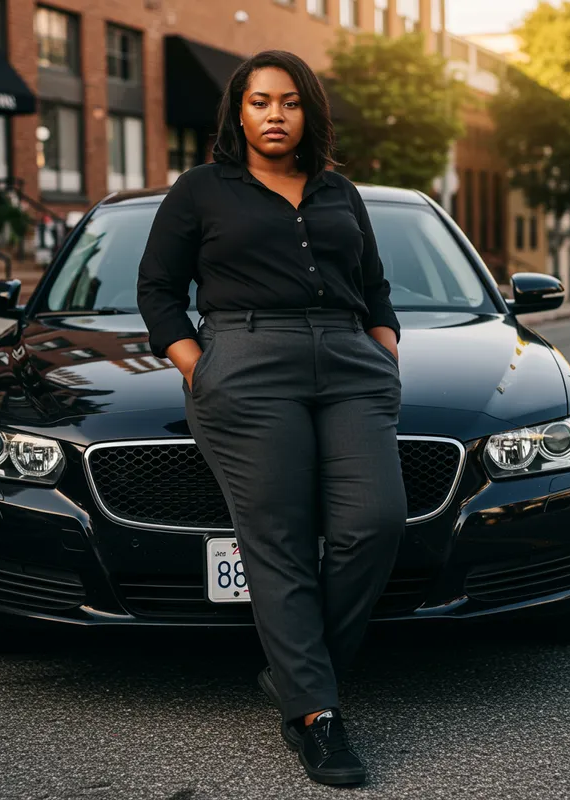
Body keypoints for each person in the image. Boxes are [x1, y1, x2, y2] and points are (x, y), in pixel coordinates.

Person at [136, 49, 407, 786]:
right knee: (280, 539)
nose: (275, 115)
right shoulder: (201, 190)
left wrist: (383, 348)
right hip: (248, 360)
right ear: (239, 112)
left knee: (376, 521)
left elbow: (374, 286)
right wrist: (201, 364)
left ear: (308, 111)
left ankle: (294, 674)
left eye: (289, 101)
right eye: (260, 102)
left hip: (350, 361)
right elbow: (158, 288)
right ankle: (317, 715)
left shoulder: (338, 191)